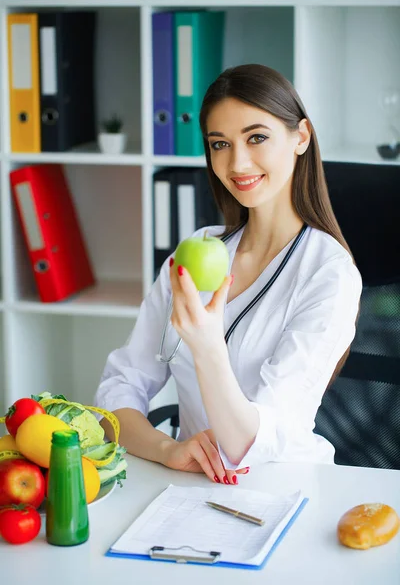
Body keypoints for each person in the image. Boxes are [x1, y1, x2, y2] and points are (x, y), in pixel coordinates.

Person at [94, 64, 362, 486]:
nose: (237, 162)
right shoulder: (198, 250)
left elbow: (248, 445)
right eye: (220, 144)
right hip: (187, 488)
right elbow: (117, 391)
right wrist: (167, 448)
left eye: (256, 137)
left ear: (301, 137)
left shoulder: (329, 275)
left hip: (285, 488)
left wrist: (206, 345)